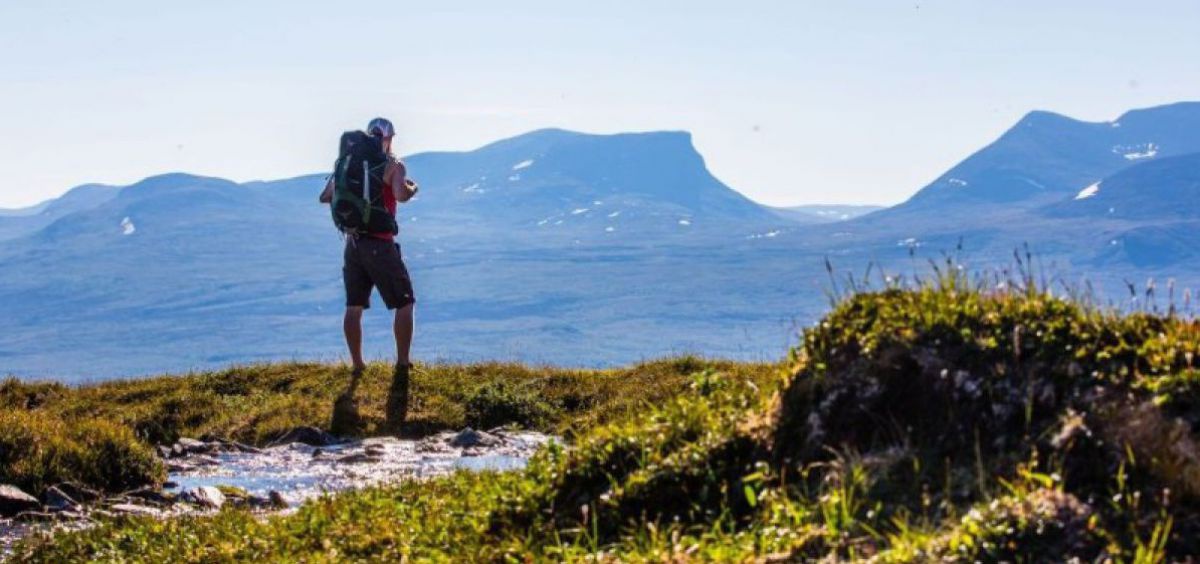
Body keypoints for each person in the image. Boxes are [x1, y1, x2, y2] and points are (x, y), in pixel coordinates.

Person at [319, 117, 419, 434]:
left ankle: (358, 364)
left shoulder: (348, 163)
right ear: (389, 138)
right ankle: (402, 364)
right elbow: (401, 196)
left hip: (353, 243)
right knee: (404, 302)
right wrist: (412, 187)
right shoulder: (393, 165)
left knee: (354, 306)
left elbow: (325, 197)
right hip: (380, 243)